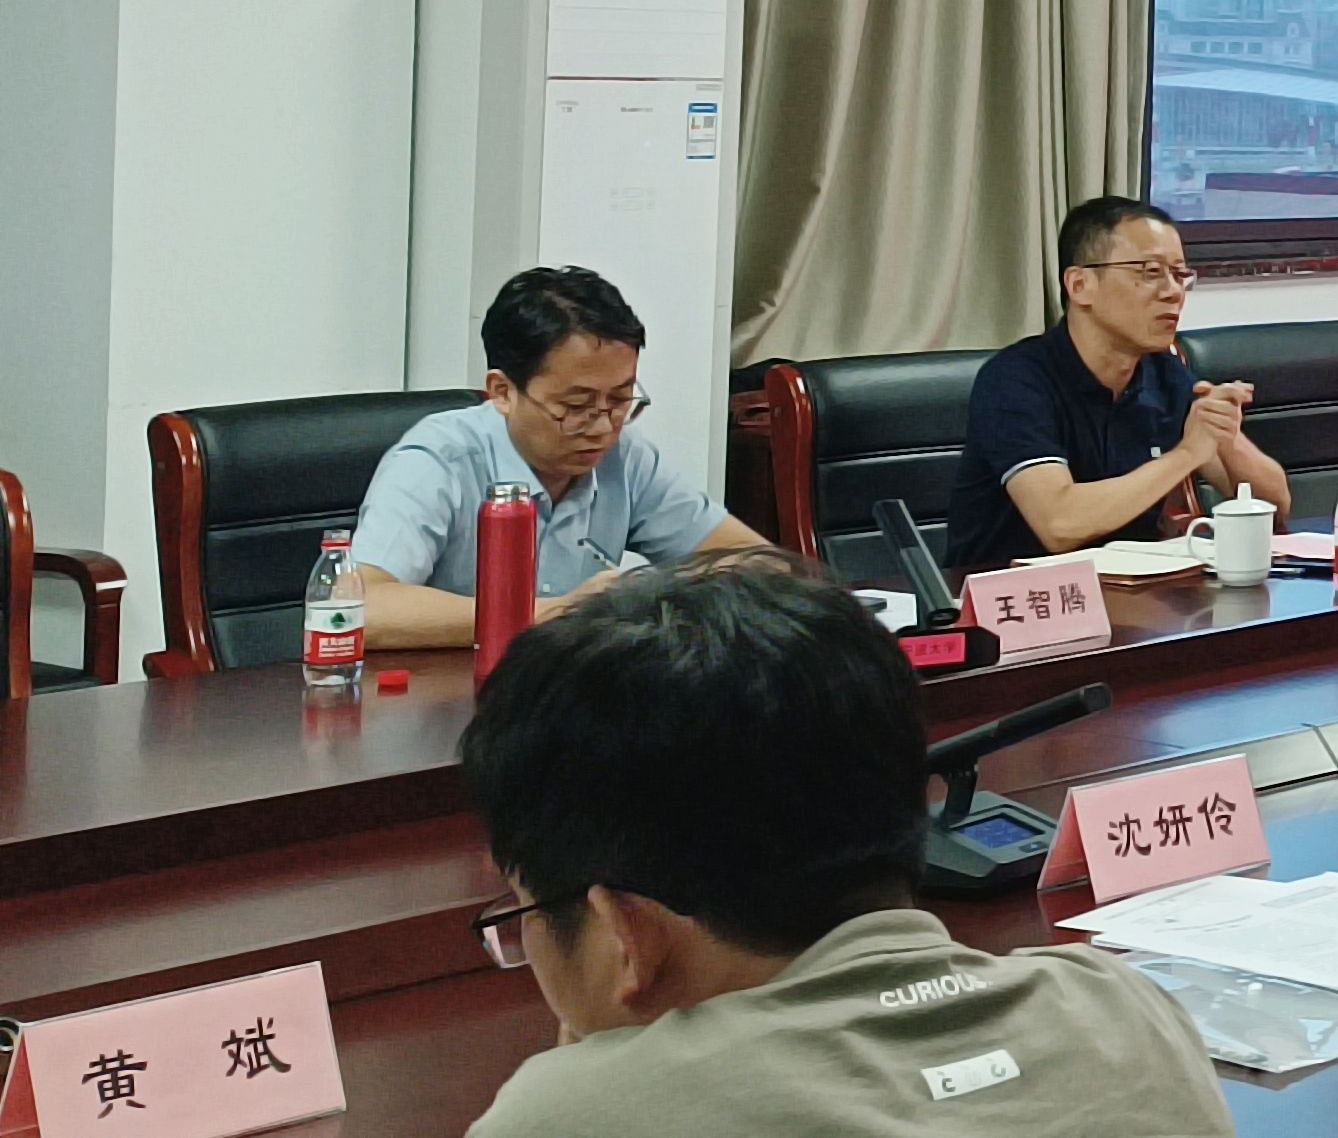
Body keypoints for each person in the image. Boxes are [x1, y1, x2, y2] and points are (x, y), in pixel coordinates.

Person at [457, 556, 1234, 1138]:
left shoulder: (574, 1119)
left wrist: (584, 1075)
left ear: (624, 931)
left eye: (527, 916)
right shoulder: (1124, 1014)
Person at [350, 267, 766, 651]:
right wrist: (558, 612)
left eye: (620, 400)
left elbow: (760, 567)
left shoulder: (625, 457)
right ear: (502, 392)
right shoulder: (439, 461)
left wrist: (651, 596)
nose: (602, 427)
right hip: (446, 693)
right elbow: (361, 608)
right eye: (576, 406)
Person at [943, 196, 1285, 568]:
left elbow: (1274, 508)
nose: (1172, 291)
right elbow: (1060, 524)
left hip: (1132, 590)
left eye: (1179, 274)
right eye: (1150, 272)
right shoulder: (1015, 380)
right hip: (1018, 595)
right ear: (1080, 285)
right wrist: (1187, 454)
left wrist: (1225, 434)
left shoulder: (1164, 374)